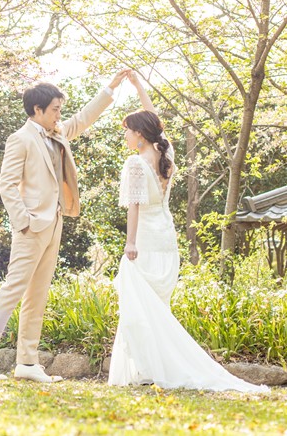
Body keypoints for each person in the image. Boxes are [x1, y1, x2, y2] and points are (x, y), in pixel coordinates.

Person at [0, 70, 130, 382]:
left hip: (54, 224)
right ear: (37, 110)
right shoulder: (21, 139)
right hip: (31, 227)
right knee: (13, 290)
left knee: (37, 294)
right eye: (55, 109)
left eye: (60, 109)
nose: (59, 115)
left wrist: (110, 89)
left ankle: (27, 362)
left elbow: (83, 119)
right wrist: (24, 222)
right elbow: (7, 185)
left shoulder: (57, 132)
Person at [108, 72, 267, 392]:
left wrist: (130, 243)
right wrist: (140, 88)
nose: (125, 136)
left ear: (139, 134)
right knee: (157, 310)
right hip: (167, 240)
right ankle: (148, 369)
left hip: (145, 243)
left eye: (127, 131)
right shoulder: (166, 154)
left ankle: (149, 369)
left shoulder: (135, 164)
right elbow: (156, 123)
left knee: (138, 308)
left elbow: (134, 207)